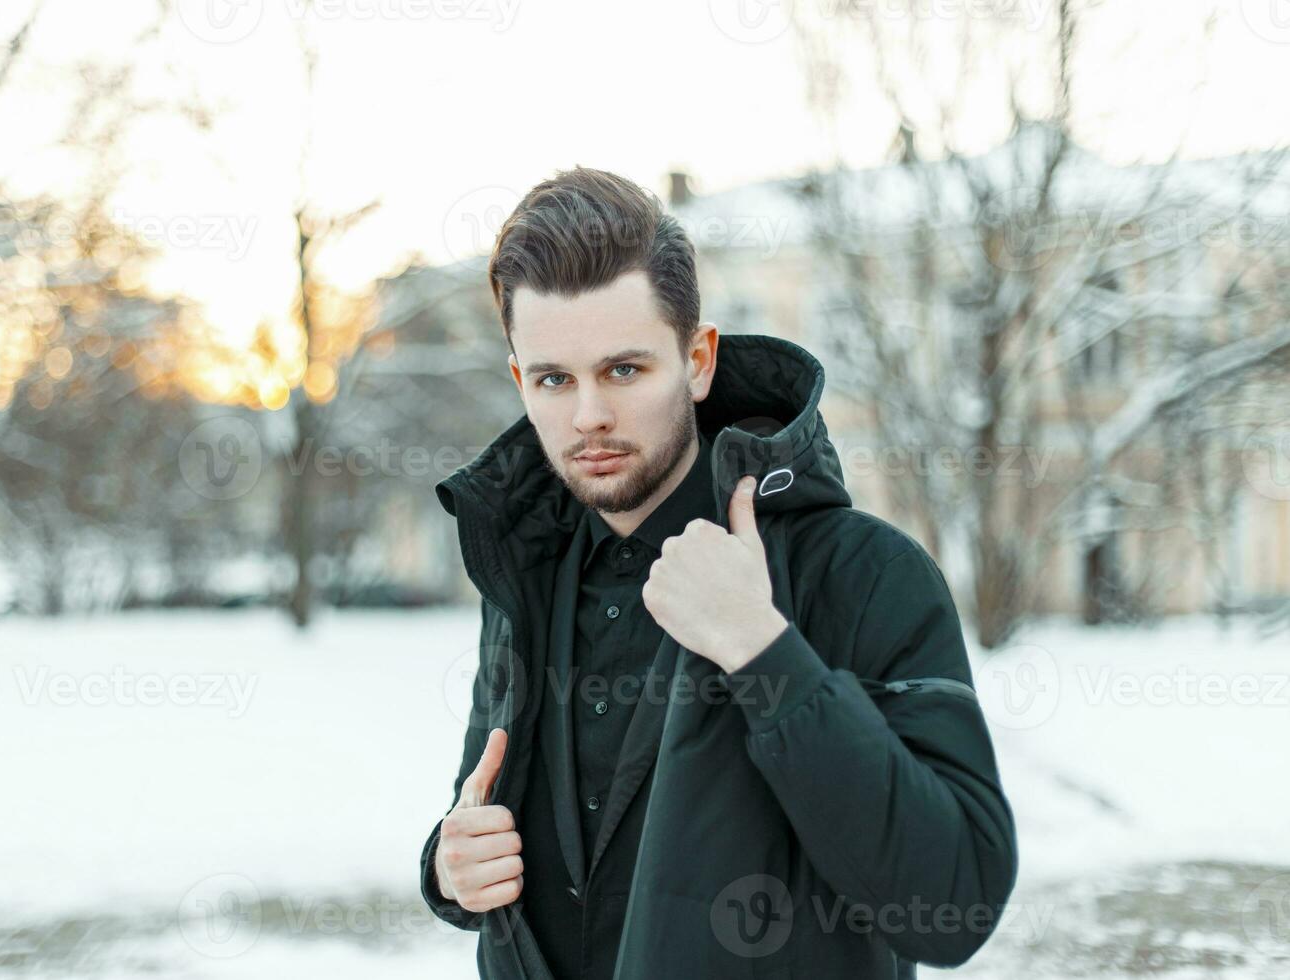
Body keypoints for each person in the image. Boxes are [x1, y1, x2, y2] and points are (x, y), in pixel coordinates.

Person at [419, 166, 1018, 979]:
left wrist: (762, 648)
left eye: (624, 370)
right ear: (521, 381)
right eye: (556, 379)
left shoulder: (863, 574)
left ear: (697, 360)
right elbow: (480, 814)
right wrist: (450, 867)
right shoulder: (525, 575)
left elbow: (958, 902)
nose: (589, 414)